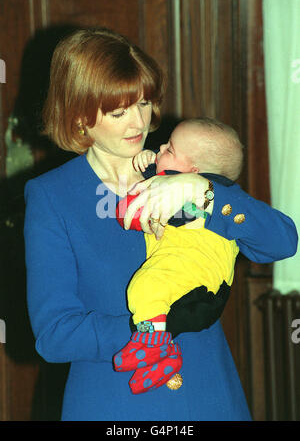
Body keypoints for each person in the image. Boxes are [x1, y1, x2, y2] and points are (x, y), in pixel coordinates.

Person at [24, 27, 298, 421]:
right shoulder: (53, 196)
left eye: (145, 103)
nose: (139, 122)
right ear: (80, 117)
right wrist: (154, 326)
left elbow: (281, 242)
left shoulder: (182, 165)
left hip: (208, 394)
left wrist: (204, 192)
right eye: (119, 112)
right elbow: (54, 335)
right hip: (118, 401)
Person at [113, 118, 243, 395]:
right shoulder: (200, 188)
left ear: (193, 171)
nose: (160, 146)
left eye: (169, 149)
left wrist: (137, 199)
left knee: (145, 289)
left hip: (195, 277)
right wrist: (150, 163)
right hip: (203, 289)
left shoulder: (193, 196)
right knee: (153, 296)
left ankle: (155, 345)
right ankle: (163, 354)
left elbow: (136, 213)